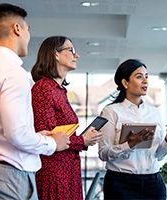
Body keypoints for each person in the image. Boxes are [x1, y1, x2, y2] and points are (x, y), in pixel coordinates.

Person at [0, 4, 70, 199]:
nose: (28, 36)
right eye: (28, 29)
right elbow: (16, 134)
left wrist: (34, 135)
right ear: (17, 29)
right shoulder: (13, 72)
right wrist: (51, 143)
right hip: (11, 175)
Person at [30, 36, 103, 200]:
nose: (76, 56)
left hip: (67, 168)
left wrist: (83, 139)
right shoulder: (43, 88)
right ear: (55, 54)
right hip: (54, 171)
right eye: (71, 50)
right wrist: (82, 140)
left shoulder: (59, 90)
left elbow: (61, 133)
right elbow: (48, 136)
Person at [98, 59, 167, 200]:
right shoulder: (111, 111)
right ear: (125, 83)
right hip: (120, 184)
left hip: (153, 183)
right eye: (139, 76)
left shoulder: (154, 112)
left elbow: (159, 155)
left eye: (147, 76)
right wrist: (129, 144)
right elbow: (103, 154)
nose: (145, 81)